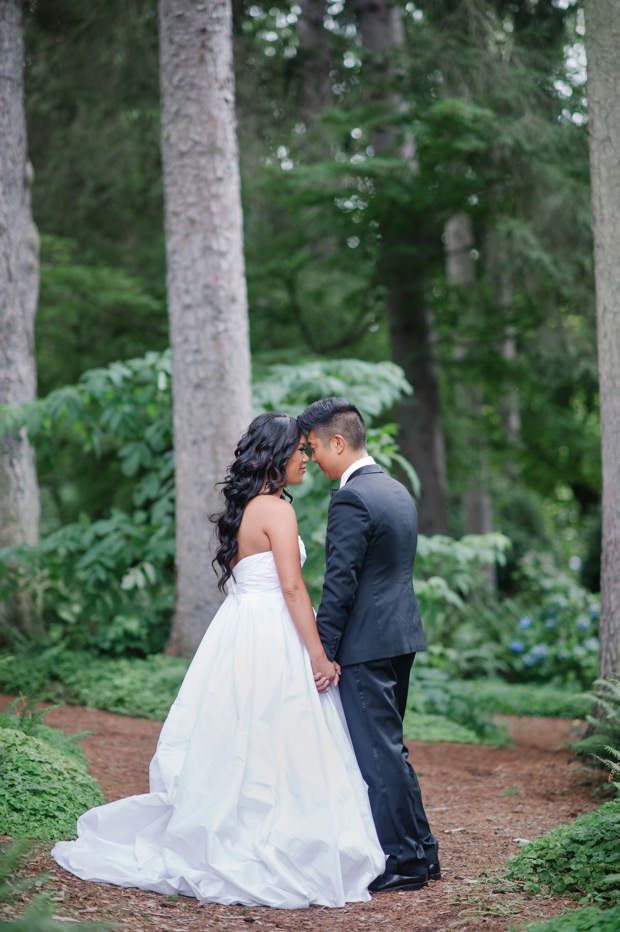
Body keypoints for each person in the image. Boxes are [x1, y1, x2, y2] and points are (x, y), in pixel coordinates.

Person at [52, 412, 385, 908]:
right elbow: (292, 588)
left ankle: (241, 826)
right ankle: (278, 836)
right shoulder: (278, 510)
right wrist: (318, 654)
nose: (307, 458)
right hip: (274, 630)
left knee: (243, 732)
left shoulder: (244, 509)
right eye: (299, 450)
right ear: (276, 455)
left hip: (239, 630)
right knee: (281, 730)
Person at [297, 397, 440, 893]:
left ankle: (404, 860)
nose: (311, 458)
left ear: (338, 442)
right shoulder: (396, 489)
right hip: (401, 636)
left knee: (377, 754)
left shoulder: (351, 498)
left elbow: (341, 582)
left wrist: (325, 650)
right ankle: (424, 850)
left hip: (365, 644)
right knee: (392, 749)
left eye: (314, 447)